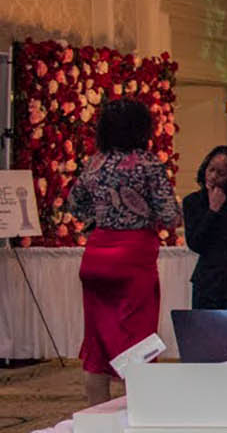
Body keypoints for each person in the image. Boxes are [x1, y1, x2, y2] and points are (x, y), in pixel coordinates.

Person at [67, 98, 180, 407]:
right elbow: (169, 215)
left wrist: (100, 217)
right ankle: (140, 412)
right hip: (133, 258)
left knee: (96, 343)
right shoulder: (148, 164)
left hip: (96, 256)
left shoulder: (95, 162)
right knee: (137, 339)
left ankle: (95, 415)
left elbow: (75, 204)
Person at [181, 145, 227, 310]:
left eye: (220, 173)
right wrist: (212, 211)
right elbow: (195, 243)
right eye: (211, 169)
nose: (213, 177)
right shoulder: (193, 201)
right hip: (208, 281)